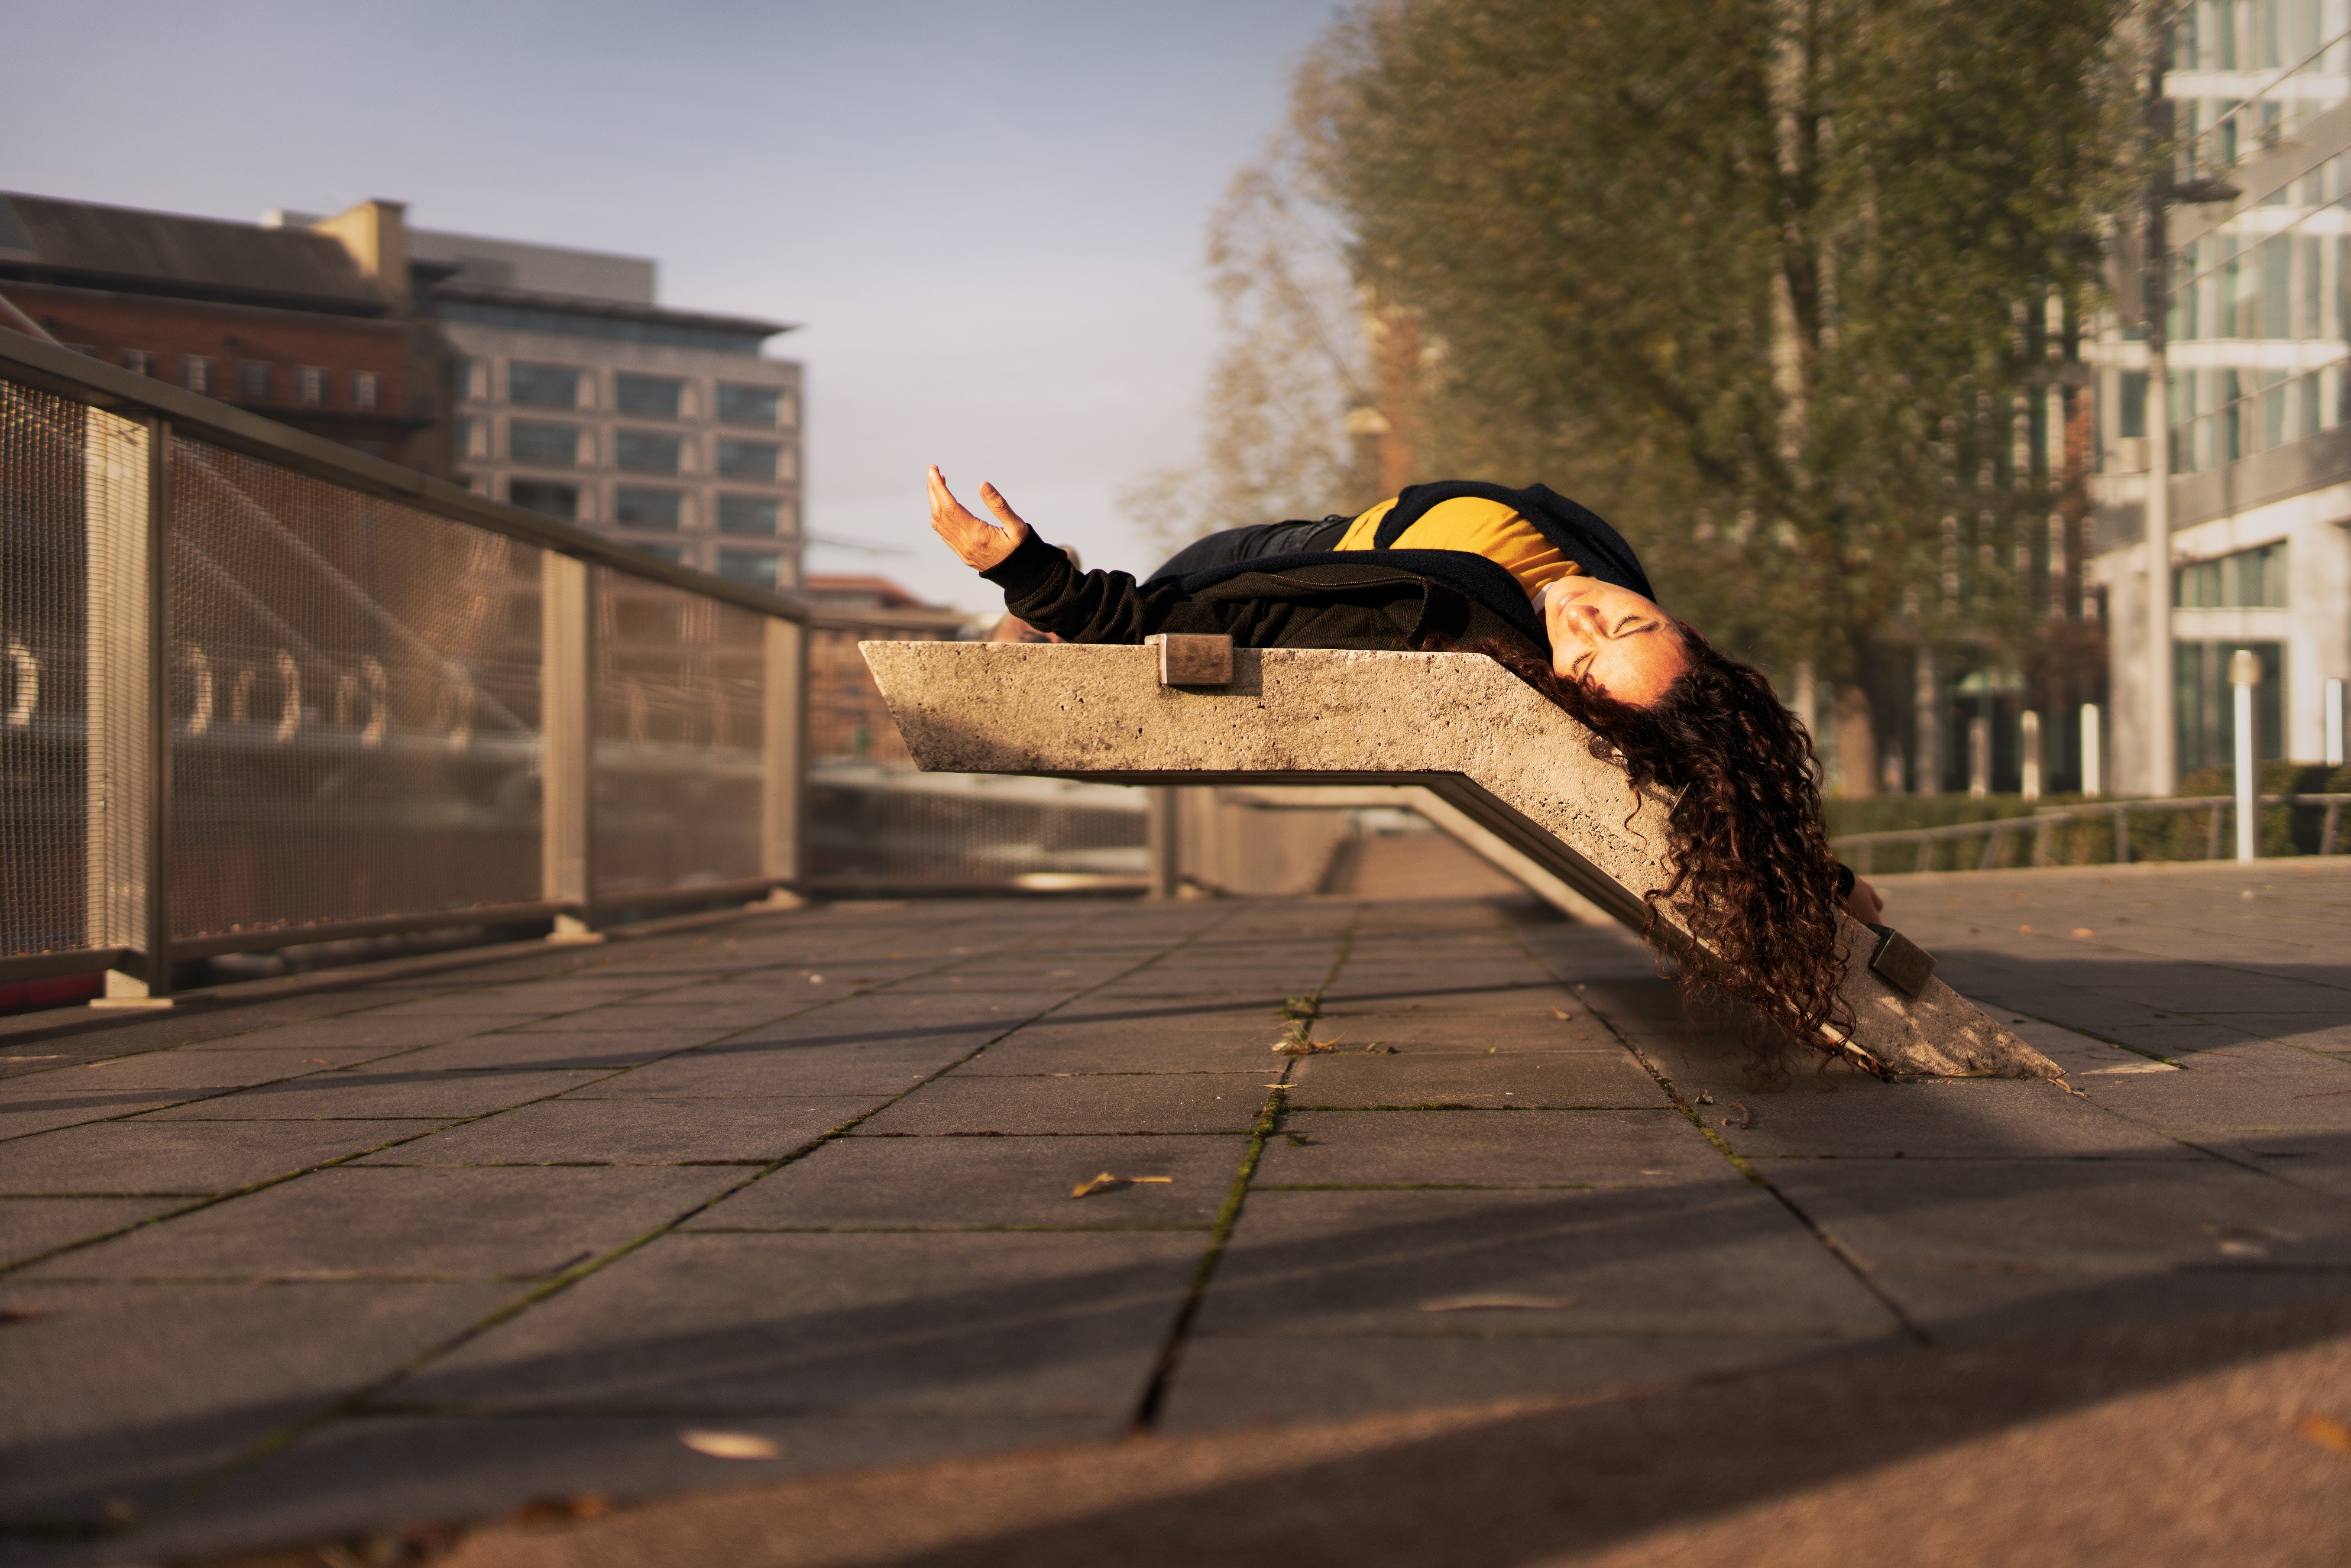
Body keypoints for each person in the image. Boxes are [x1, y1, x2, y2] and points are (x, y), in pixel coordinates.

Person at [925, 466, 1882, 1054]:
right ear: (1684, 627)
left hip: (1290, 565)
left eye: (1585, 655)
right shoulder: (1607, 599)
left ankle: (1035, 636)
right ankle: (1042, 633)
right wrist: (1816, 867)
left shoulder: (1446, 632)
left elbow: (1195, 630)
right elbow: (1700, 761)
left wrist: (1028, 572)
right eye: (1626, 620)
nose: (1583, 619)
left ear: (1568, 685)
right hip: (1334, 532)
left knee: (1148, 605)